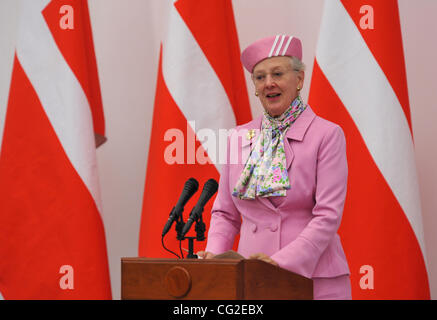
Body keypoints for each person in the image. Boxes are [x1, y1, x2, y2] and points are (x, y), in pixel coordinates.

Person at [198, 35, 351, 300]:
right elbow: (225, 213)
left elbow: (327, 215)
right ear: (255, 87)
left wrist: (280, 262)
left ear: (300, 80)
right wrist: (213, 258)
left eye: (278, 73)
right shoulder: (238, 137)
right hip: (251, 280)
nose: (269, 83)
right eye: (260, 77)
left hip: (312, 279)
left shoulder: (327, 135)